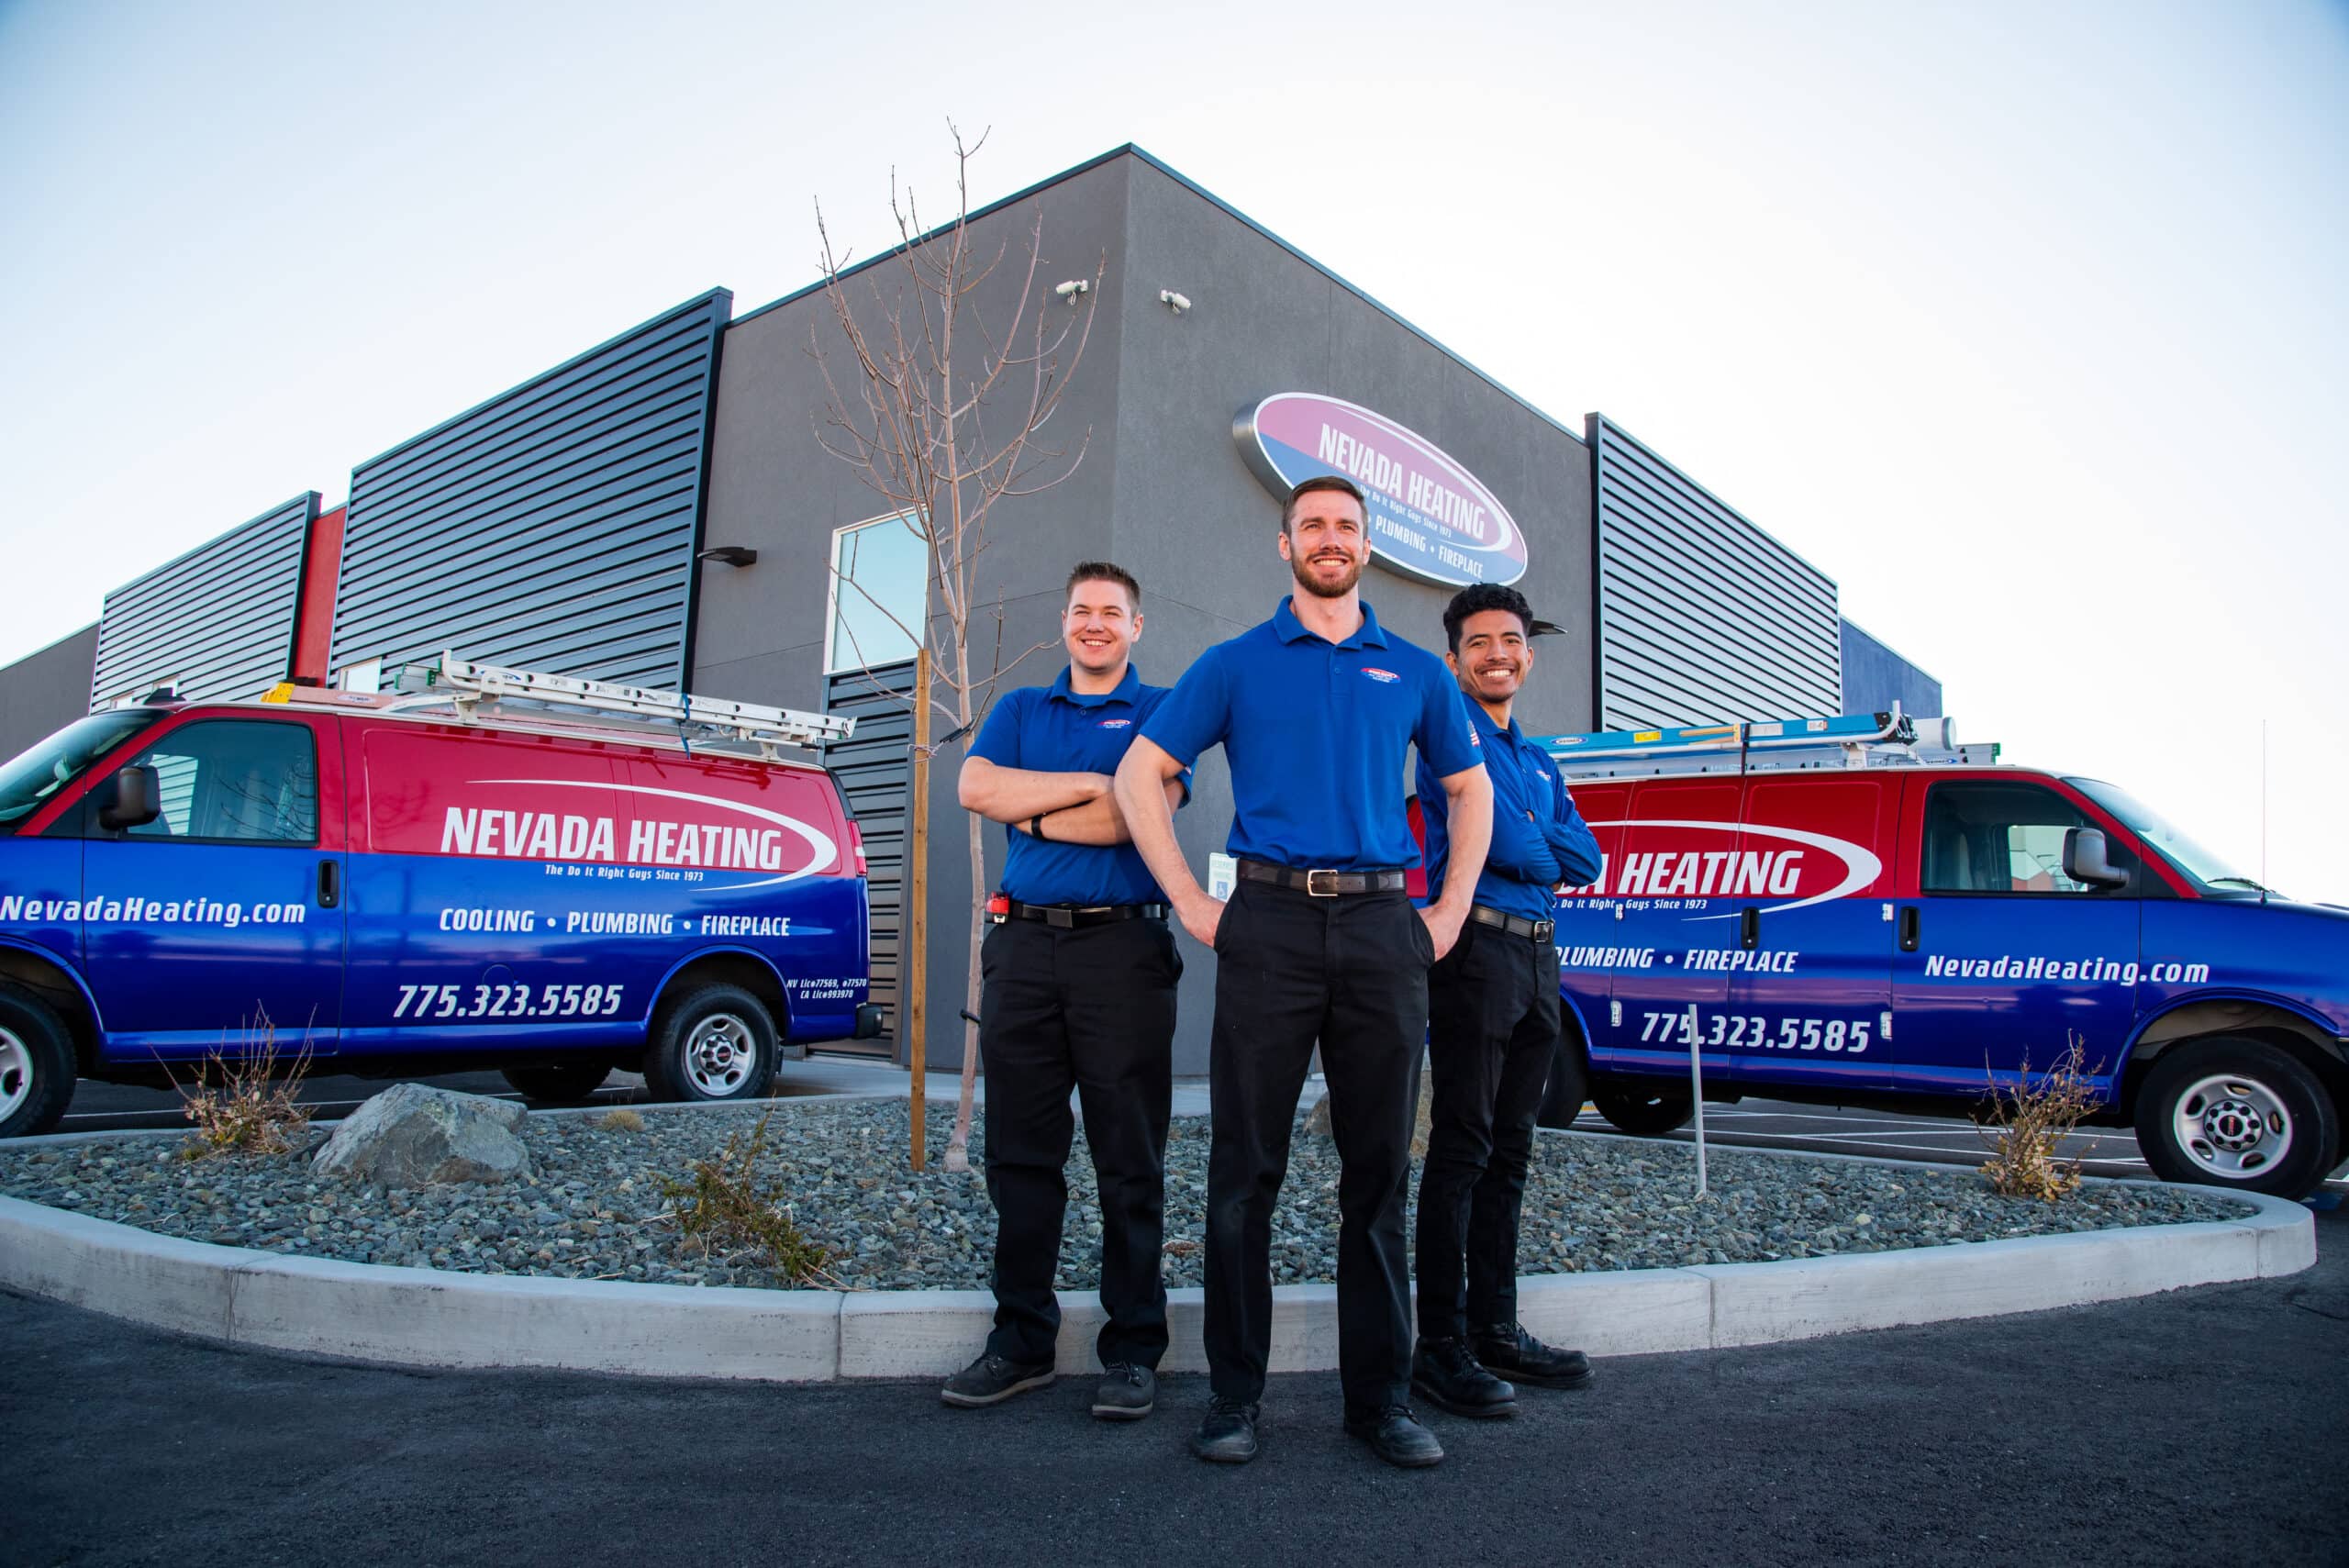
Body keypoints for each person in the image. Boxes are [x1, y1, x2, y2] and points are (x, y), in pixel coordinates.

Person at [1115, 474, 1494, 1470]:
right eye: (1313, 525)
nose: (1331, 538)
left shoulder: (1414, 669)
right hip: (1269, 923)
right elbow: (1137, 773)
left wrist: (1447, 910)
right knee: (1245, 1171)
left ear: (1366, 545)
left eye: (1346, 526)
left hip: (1381, 925)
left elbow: (1468, 787)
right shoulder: (1236, 661)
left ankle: (1380, 1401)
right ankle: (1234, 1397)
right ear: (1283, 545)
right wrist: (1192, 903)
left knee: (1376, 1173)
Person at [941, 562, 1189, 1422]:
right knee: (1020, 1154)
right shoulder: (1018, 709)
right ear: (1065, 620)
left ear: (1135, 625)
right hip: (1022, 950)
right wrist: (1093, 786)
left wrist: (1032, 809)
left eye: (1111, 612)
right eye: (1082, 609)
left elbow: (1141, 813)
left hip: (1122, 951)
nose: (1095, 623)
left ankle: (1132, 1348)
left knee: (1130, 1155)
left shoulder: (1162, 708)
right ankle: (1021, 1341)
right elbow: (975, 787)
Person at [1408, 583, 1606, 1420]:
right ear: (1455, 657)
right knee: (1462, 1147)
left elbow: (1585, 856)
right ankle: (1440, 1346)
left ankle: (1496, 1329)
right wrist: (1537, 843)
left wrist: (1535, 841)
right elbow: (1528, 846)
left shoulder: (1535, 758)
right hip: (1475, 953)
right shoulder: (1448, 736)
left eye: (1511, 639)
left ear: (1527, 653)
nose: (1497, 652)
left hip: (1538, 958)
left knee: (1513, 1151)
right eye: (1480, 641)